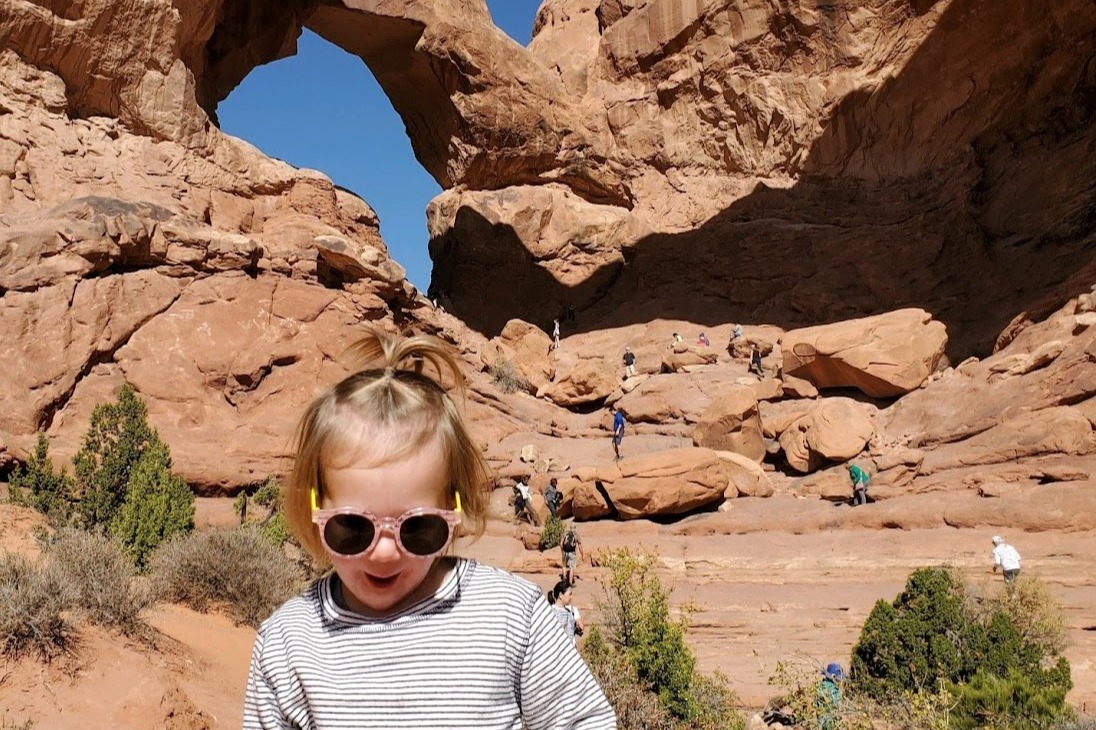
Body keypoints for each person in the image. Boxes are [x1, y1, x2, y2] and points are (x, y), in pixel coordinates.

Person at [242, 325, 615, 729]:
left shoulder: (510, 616)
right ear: (315, 509)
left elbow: (584, 721)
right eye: (352, 527)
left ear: (453, 510)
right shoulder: (288, 644)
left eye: (418, 528)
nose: (384, 552)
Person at [547, 580, 581, 646]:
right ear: (560, 595)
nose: (571, 597)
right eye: (569, 594)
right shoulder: (550, 612)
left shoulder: (570, 612)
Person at [815, 663, 845, 730]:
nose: (840, 679)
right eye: (839, 676)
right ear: (833, 676)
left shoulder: (822, 685)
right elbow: (837, 704)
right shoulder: (831, 689)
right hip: (829, 721)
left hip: (822, 720)